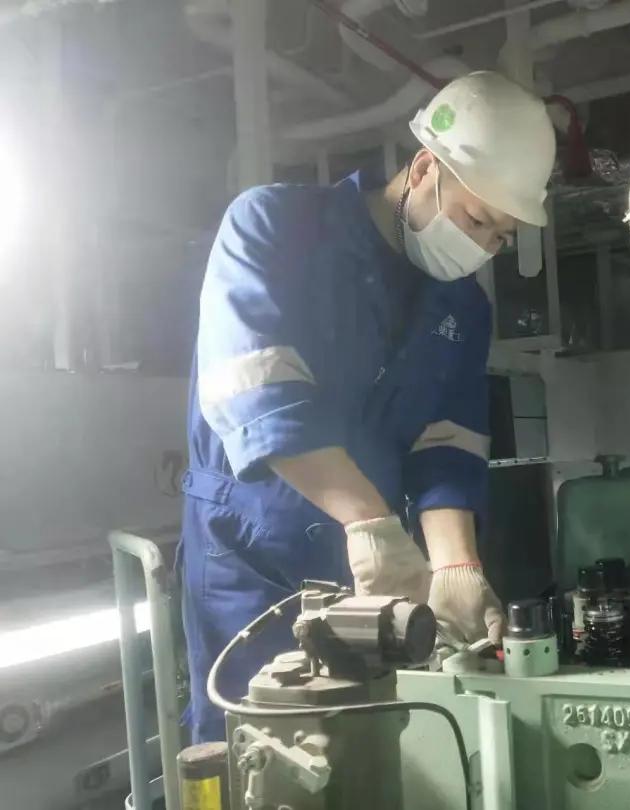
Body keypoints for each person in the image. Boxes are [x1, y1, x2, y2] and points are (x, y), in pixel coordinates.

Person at [178, 71, 557, 742]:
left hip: (370, 566)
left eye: (500, 236)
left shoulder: (464, 308)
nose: (481, 248)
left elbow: (448, 443)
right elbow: (261, 395)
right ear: (424, 168)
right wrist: (371, 524)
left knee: (364, 746)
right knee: (250, 745)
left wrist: (456, 564)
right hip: (250, 557)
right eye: (475, 220)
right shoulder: (274, 225)